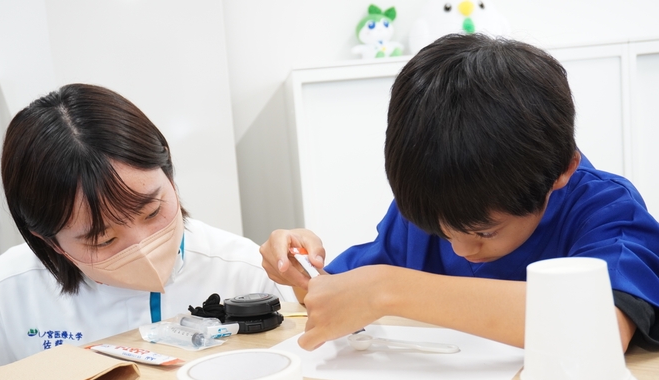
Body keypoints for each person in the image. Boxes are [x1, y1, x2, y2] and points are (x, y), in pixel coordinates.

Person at [260, 33, 659, 354]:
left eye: (485, 231)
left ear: (562, 171)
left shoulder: (606, 211)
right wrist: (300, 270)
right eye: (443, 231)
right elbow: (338, 295)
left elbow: (602, 326)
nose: (461, 249)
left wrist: (388, 289)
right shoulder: (434, 206)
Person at [0, 83, 294, 380]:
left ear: (169, 175)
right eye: (102, 239)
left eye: (152, 212)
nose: (142, 245)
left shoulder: (243, 271)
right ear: (49, 241)